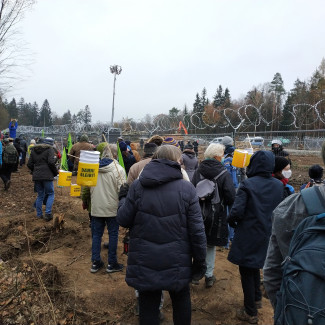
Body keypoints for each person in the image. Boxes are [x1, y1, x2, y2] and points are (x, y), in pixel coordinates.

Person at [117, 145, 207, 325]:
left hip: (145, 259)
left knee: (148, 304)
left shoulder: (137, 187)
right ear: (178, 162)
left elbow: (123, 219)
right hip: (177, 259)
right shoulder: (187, 189)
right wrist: (200, 261)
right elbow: (197, 231)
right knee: (181, 299)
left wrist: (123, 199)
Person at [263, 143, 325, 310]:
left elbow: (272, 272)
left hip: (302, 305)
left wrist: (283, 311)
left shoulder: (293, 205)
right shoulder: (285, 189)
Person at [227, 151, 284, 324]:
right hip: (268, 233)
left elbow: (236, 211)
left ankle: (250, 312)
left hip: (248, 234)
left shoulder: (248, 184)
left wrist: (232, 222)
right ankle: (257, 299)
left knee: (246, 270)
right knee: (256, 266)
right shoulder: (278, 185)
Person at [192, 143, 236, 288]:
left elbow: (192, 191)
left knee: (196, 243)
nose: (223, 157)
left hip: (198, 213)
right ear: (218, 156)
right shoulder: (224, 173)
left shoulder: (198, 171)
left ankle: (195, 274)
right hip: (216, 215)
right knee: (210, 245)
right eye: (222, 154)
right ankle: (209, 276)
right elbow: (230, 197)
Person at [83, 145, 126, 273]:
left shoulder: (93, 169)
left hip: (96, 208)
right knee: (113, 234)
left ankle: (95, 262)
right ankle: (111, 263)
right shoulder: (118, 170)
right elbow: (122, 191)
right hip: (112, 209)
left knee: (96, 235)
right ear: (114, 154)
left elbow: (88, 186)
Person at [27, 138, 58, 221]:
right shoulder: (49, 150)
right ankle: (48, 213)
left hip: (37, 176)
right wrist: (55, 172)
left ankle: (39, 214)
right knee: (51, 193)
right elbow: (51, 162)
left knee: (40, 195)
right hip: (47, 175)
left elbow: (29, 164)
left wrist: (35, 170)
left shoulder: (33, 150)